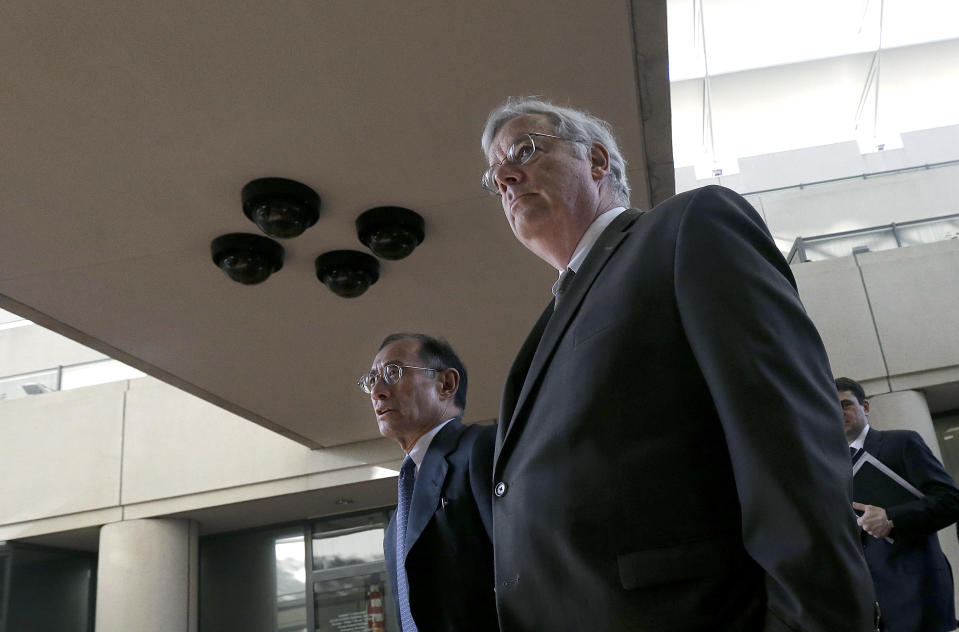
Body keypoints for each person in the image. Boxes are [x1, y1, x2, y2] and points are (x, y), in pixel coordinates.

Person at [480, 97, 878, 631]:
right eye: (494, 173)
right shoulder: (546, 326)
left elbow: (786, 438)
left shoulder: (688, 228)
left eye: (523, 150)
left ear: (596, 161)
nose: (504, 175)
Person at [359, 333, 498, 632]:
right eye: (372, 380)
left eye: (392, 373)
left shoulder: (484, 450)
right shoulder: (397, 523)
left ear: (446, 384)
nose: (378, 392)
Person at [838, 376, 959, 632]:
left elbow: (951, 500)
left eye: (846, 404)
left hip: (917, 587)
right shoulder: (830, 467)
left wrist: (891, 517)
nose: (839, 413)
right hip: (868, 600)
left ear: (865, 407)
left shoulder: (902, 443)